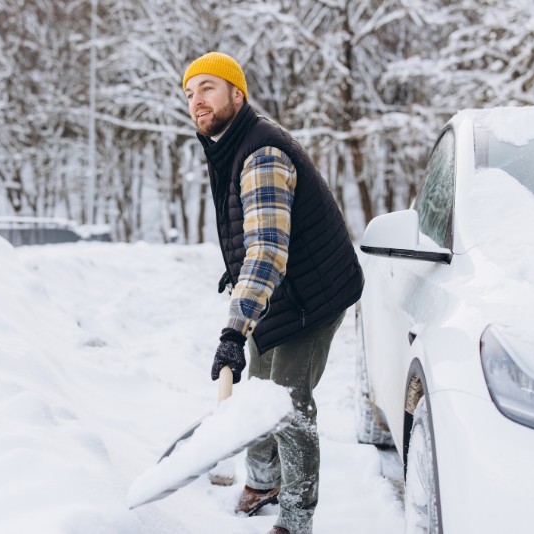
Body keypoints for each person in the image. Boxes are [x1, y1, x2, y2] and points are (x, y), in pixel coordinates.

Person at [182, 52, 364, 534]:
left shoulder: (261, 152)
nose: (196, 101)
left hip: (314, 293)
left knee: (286, 401)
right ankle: (264, 482)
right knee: (257, 392)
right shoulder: (230, 141)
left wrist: (232, 331)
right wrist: (237, 273)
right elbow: (254, 234)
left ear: (236, 95)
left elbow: (265, 252)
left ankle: (297, 519)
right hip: (282, 287)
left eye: (207, 88)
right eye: (189, 93)